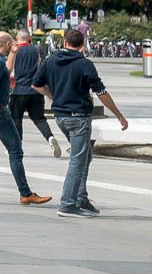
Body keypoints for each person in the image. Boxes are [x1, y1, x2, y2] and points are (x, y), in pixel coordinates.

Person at [41, 26, 132, 218]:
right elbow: (101, 93)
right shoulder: (85, 64)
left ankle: (80, 197)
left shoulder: (50, 61)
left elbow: (36, 84)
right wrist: (119, 115)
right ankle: (67, 204)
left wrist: (53, 97)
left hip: (60, 116)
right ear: (82, 46)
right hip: (78, 118)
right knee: (77, 159)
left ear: (65, 43)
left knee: (85, 155)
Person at [0, 31, 49, 205]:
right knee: (15, 150)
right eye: (11, 44)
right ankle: (26, 193)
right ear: (4, 44)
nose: (13, 46)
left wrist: (13, 53)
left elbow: (7, 71)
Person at [11, 28, 62, 158]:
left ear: (17, 39)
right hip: (36, 90)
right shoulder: (37, 50)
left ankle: (17, 147)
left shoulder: (15, 51)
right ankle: (50, 137)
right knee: (39, 119)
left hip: (19, 91)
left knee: (16, 119)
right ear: (30, 39)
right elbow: (44, 68)